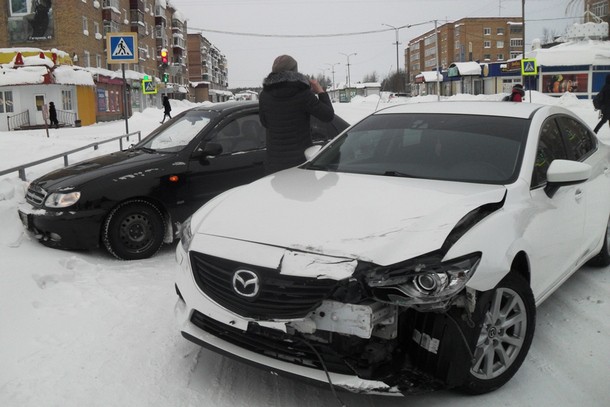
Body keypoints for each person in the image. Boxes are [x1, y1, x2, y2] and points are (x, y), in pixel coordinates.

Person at [259, 54, 335, 174]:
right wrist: (320, 91)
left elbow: (264, 122)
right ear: (295, 70)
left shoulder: (264, 95)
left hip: (274, 163)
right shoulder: (302, 93)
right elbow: (328, 115)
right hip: (300, 162)